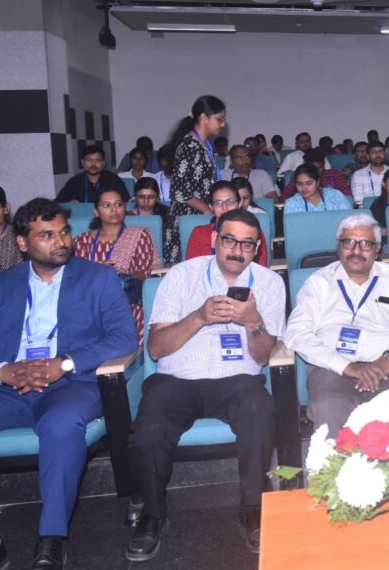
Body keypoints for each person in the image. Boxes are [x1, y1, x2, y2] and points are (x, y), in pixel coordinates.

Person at [0, 198, 136, 570]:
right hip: (10, 387)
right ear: (23, 243)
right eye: (47, 235)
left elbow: (123, 337)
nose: (61, 241)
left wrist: (63, 363)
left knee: (59, 423)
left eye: (64, 232)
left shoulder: (98, 278)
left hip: (72, 384)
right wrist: (4, 370)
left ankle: (51, 537)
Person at [126, 209, 285, 560]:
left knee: (259, 409)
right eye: (229, 240)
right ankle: (153, 513)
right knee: (149, 427)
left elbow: (262, 357)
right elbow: (156, 348)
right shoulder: (181, 276)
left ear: (257, 247)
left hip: (237, 380)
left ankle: (253, 508)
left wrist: (253, 321)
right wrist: (199, 317)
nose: (237, 251)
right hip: (178, 380)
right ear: (214, 239)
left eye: (247, 244)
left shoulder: (270, 283)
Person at [286, 214, 389, 436]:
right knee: (329, 406)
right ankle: (339, 459)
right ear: (338, 246)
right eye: (349, 242)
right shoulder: (319, 283)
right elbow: (296, 333)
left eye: (366, 244)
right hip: (334, 367)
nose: (356, 250)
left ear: (377, 249)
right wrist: (346, 366)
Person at [74, 186, 160, 341]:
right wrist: (101, 272)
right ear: (96, 211)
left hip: (127, 302)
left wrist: (118, 273)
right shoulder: (82, 240)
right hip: (91, 303)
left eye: (118, 204)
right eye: (106, 205)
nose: (114, 210)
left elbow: (143, 274)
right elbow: (78, 278)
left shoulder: (140, 235)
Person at [165, 96, 227, 264]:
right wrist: (207, 210)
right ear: (204, 117)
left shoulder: (206, 145)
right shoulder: (189, 146)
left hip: (202, 213)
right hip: (189, 215)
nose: (222, 124)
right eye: (219, 119)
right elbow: (179, 190)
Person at [187, 181, 269, 267]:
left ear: (239, 204)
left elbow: (260, 269)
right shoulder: (199, 233)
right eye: (218, 203)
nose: (225, 208)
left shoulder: (254, 233)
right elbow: (192, 269)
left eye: (230, 202)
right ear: (211, 207)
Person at [55, 144, 130, 204]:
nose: (93, 164)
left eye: (98, 160)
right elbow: (59, 203)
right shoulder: (74, 181)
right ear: (83, 163)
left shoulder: (114, 180)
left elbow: (126, 202)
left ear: (103, 163)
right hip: (83, 217)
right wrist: (68, 204)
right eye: (89, 160)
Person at [282, 164, 352, 214]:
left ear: (318, 182)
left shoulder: (335, 196)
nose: (303, 188)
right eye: (299, 184)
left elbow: (350, 221)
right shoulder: (291, 203)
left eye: (308, 183)